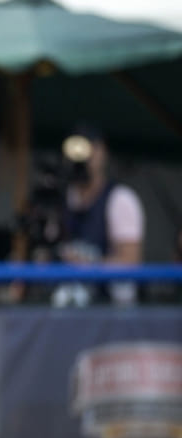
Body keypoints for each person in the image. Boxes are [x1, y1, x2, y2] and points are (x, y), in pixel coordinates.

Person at [55, 125, 145, 306]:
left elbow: (130, 262)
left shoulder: (120, 199)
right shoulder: (62, 198)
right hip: (68, 304)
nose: (81, 158)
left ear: (102, 152)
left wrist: (87, 265)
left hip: (109, 309)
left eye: (88, 149)